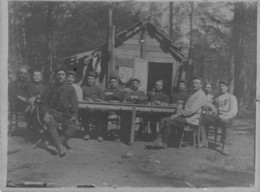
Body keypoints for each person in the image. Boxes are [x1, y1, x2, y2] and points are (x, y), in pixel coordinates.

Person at [146, 76, 207, 149]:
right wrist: (182, 105)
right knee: (163, 120)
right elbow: (189, 106)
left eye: (196, 83)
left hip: (191, 119)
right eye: (193, 83)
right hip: (186, 116)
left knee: (168, 121)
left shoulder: (200, 95)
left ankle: (163, 142)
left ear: (201, 85)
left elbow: (190, 111)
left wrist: (177, 114)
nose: (194, 85)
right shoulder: (194, 94)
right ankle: (160, 141)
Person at [39, 68, 78, 157]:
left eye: (62, 74)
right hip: (52, 112)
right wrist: (45, 112)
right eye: (58, 74)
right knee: (50, 120)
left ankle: (55, 142)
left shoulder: (70, 88)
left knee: (74, 125)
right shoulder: (50, 87)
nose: (60, 76)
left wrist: (74, 116)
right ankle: (60, 146)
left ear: (65, 76)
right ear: (55, 76)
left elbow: (75, 104)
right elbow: (43, 102)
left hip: (65, 114)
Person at [200, 80, 238, 155]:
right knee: (202, 119)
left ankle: (225, 145)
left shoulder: (231, 97)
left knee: (226, 122)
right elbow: (209, 103)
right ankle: (204, 140)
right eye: (220, 86)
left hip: (227, 117)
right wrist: (213, 108)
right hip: (217, 116)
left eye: (223, 86)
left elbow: (234, 110)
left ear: (227, 87)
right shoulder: (216, 97)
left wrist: (226, 116)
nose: (221, 88)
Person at [81, 71, 106, 141]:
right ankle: (86, 133)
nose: (90, 80)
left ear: (95, 80)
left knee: (101, 115)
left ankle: (98, 134)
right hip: (86, 108)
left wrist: (99, 100)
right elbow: (80, 98)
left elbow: (103, 100)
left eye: (92, 79)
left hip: (96, 109)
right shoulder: (83, 88)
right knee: (84, 114)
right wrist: (86, 99)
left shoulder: (99, 88)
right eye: (88, 79)